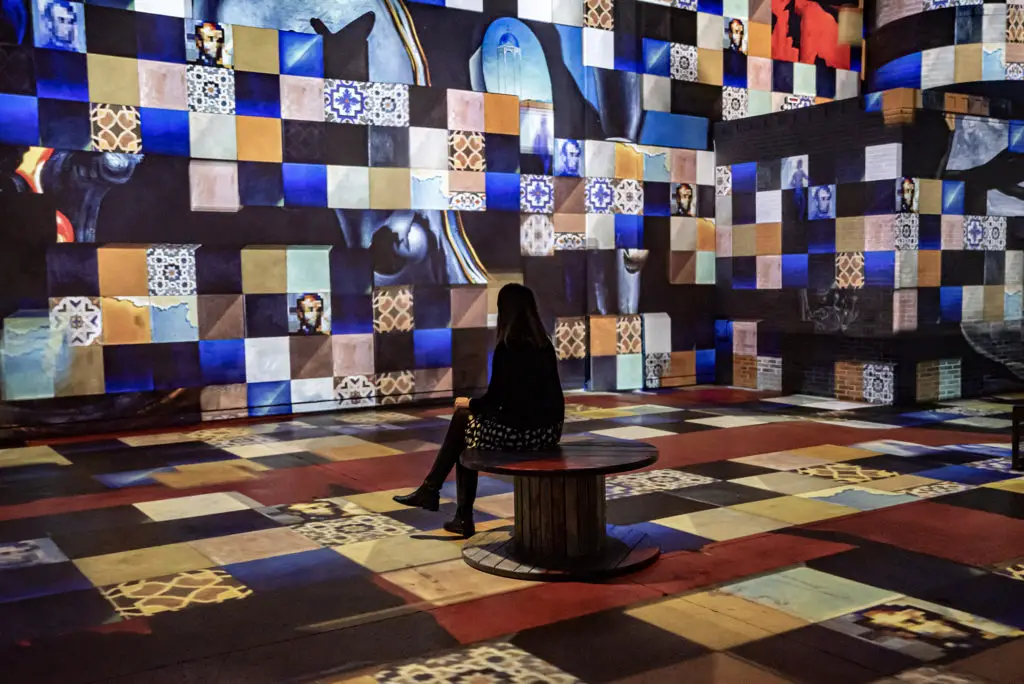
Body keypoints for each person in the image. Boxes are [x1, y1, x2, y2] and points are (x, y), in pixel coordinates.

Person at [393, 283, 565, 537]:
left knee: (464, 426)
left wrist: (470, 403)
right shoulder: (544, 345)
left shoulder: (509, 347)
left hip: (524, 434)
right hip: (548, 431)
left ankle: (444, 500)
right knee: (466, 429)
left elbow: (497, 399)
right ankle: (436, 495)